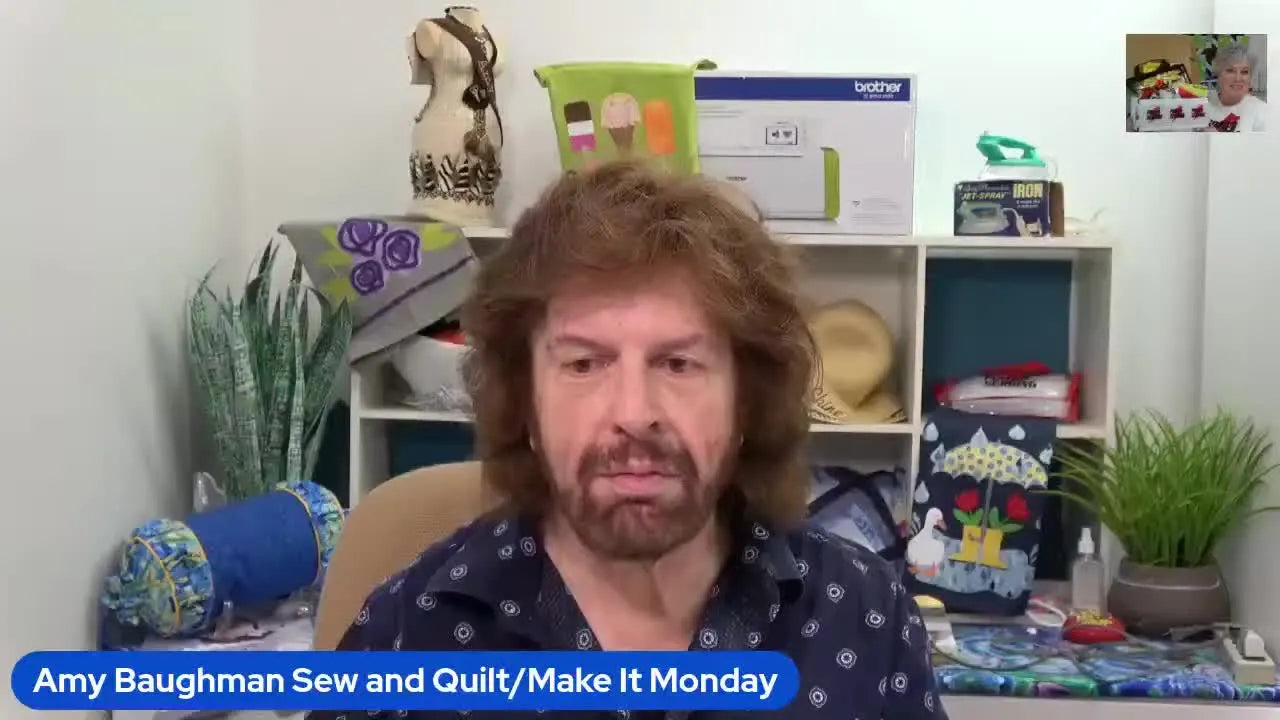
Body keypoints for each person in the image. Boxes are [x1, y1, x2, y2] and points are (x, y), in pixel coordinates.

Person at [307, 161, 948, 719]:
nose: (634, 413)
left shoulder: (868, 621)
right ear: (524, 401)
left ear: (747, 399)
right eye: (584, 364)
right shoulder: (408, 634)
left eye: (678, 363)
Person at [1207, 41, 1267, 132]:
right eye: (1230, 71)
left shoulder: (1262, 112)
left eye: (1244, 72)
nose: (1238, 78)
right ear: (1219, 76)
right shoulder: (1203, 105)